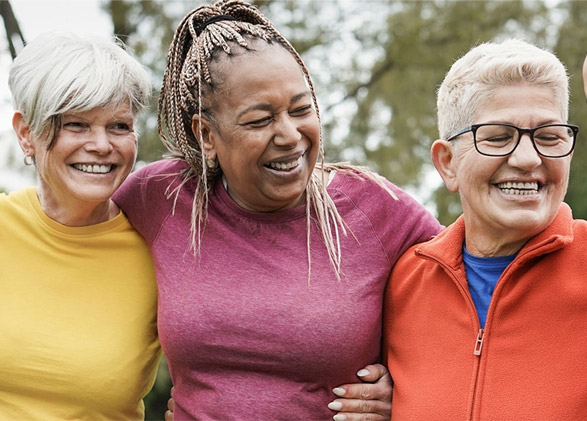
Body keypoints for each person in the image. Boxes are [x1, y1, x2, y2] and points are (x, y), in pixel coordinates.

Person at [114, 0, 442, 419]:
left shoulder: (376, 209)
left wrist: (414, 389)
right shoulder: (163, 197)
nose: (290, 135)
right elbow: (74, 233)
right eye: (259, 120)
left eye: (301, 109)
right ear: (206, 135)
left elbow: (472, 295)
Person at [383, 39, 587, 419]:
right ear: (447, 163)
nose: (528, 159)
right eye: (497, 137)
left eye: (549, 137)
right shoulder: (402, 284)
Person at [0, 32, 162, 419]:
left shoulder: (160, 248)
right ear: (26, 133)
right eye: (77, 124)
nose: (102, 145)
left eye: (119, 126)